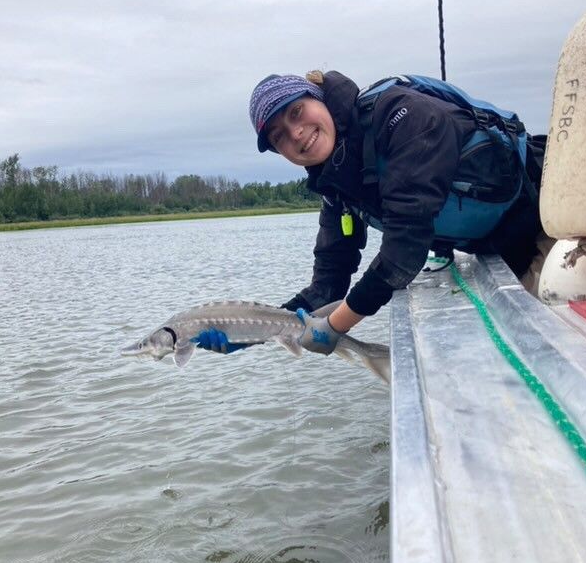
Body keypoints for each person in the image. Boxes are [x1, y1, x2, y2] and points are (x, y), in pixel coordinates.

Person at [194, 69, 547, 357]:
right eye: (280, 136)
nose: (296, 133)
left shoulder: (402, 115)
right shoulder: (334, 183)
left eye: (296, 112)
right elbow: (328, 281)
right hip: (497, 247)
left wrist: (335, 327)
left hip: (548, 215)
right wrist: (245, 332)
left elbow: (403, 253)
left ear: (318, 99)